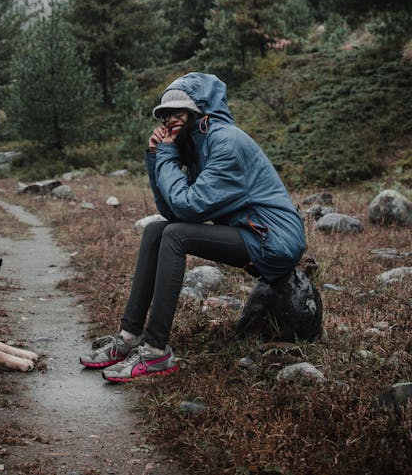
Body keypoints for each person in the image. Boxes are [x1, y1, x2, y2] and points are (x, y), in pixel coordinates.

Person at [80, 71, 306, 383]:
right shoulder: (198, 144)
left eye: (178, 112)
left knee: (175, 235)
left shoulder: (226, 143)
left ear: (200, 111)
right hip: (249, 231)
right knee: (156, 230)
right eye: (166, 114)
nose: (171, 119)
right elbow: (171, 210)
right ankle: (129, 338)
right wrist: (155, 157)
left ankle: (156, 351)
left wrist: (168, 155)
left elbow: (189, 208)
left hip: (273, 239)